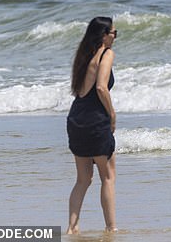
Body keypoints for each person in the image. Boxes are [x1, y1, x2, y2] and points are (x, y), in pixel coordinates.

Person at [66, 17, 118, 234]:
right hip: (95, 120)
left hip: (76, 119)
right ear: (104, 35)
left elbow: (80, 91)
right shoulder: (106, 54)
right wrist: (112, 114)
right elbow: (101, 88)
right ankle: (110, 227)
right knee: (108, 176)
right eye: (114, 32)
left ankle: (72, 227)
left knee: (83, 179)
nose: (115, 37)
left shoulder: (83, 56)